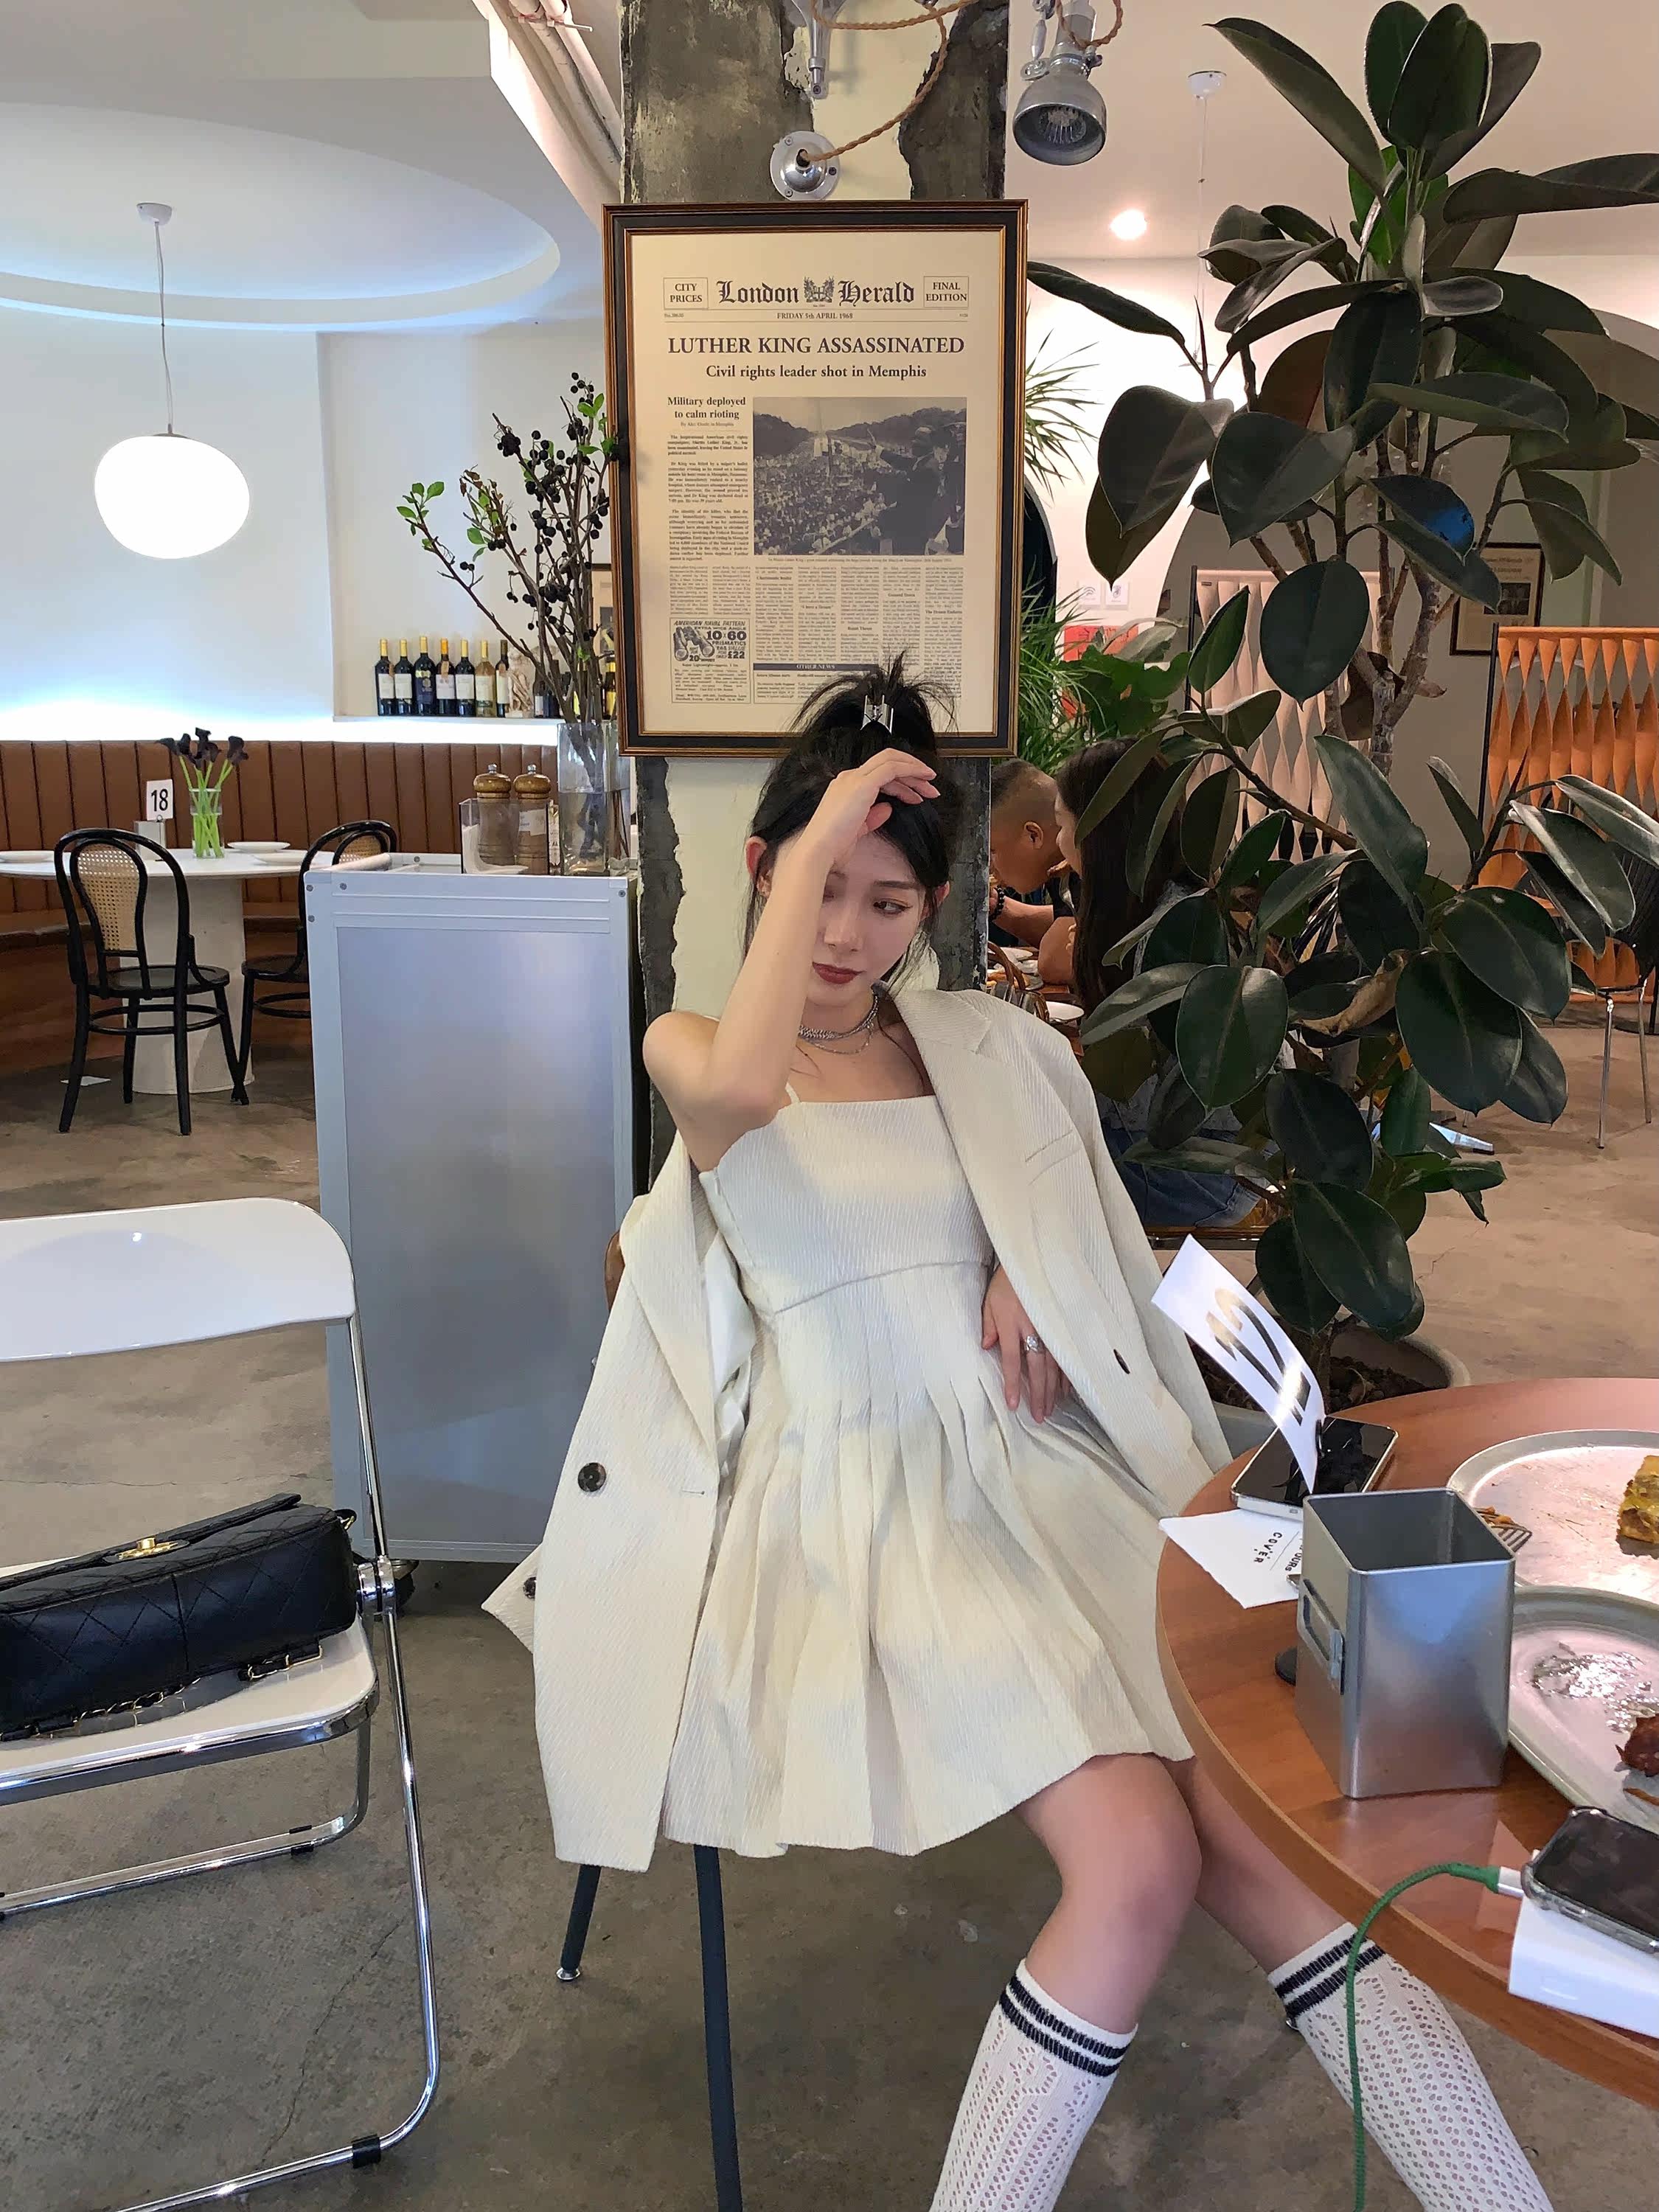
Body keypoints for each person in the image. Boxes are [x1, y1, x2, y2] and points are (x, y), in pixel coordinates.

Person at [490, 662, 1552, 2212]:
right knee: (1138, 1862)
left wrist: (1016, 1257)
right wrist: (835, 816)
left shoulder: (983, 1046)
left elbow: (1071, 1215)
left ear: (934, 910)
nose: (849, 933)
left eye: (889, 902)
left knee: (1261, 1845)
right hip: (867, 1505)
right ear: (763, 871)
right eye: (821, 887)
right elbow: (737, 1096)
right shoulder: (695, 1045)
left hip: (1042, 1465)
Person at [1041, 740, 1261, 1233]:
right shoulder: (1166, 904)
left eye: (1062, 824)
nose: (1060, 841)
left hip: (1206, 1169)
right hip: (1211, 1154)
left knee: (1028, 1168)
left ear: (1100, 832)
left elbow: (1141, 1101)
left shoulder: (1171, 930)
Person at [988, 757, 1071, 951]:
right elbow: (1062, 924)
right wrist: (995, 905)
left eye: (993, 850)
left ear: (1033, 836)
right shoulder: (1058, 865)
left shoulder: (1085, 861)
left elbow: (1056, 959)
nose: (990, 866)